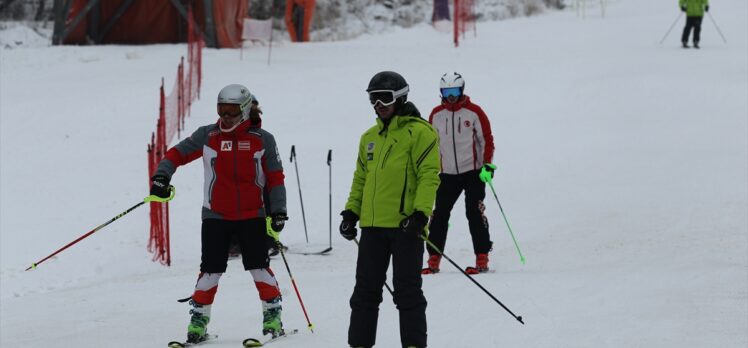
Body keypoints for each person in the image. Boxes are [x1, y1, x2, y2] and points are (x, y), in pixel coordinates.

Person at [150, 84, 289, 344]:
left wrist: (279, 210)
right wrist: (161, 175)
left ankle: (273, 315)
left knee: (258, 267)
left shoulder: (262, 139)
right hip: (216, 215)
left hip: (252, 215)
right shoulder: (208, 135)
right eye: (221, 110)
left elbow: (275, 177)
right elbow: (176, 153)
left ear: (246, 110)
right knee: (210, 271)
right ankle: (199, 321)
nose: (225, 116)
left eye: (232, 111)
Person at [339, 71, 441, 348]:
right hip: (372, 228)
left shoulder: (420, 132)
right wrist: (351, 213)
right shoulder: (369, 137)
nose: (378, 104)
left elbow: (429, 175)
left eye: (383, 98)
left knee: (407, 292)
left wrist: (420, 214)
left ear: (400, 97)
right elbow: (361, 178)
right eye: (373, 99)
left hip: (406, 227)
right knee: (364, 293)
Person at [422, 72, 496, 275]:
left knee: (474, 211)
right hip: (447, 174)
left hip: (473, 171)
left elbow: (486, 139)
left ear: (461, 90)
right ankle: (434, 258)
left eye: (454, 91)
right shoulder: (436, 115)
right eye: (446, 92)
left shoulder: (474, 112)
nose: (451, 96)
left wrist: (487, 165)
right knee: (439, 215)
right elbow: (431, 144)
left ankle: (482, 256)